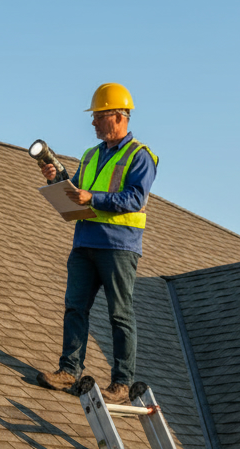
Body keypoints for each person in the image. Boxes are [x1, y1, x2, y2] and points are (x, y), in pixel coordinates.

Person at [36, 83, 158, 405]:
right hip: (85, 242)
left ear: (118, 117)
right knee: (75, 307)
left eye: (98, 116)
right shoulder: (91, 156)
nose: (92, 123)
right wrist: (55, 179)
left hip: (119, 247)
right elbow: (76, 190)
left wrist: (94, 198)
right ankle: (69, 371)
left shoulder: (140, 156)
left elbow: (134, 198)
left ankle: (121, 383)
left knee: (120, 314)